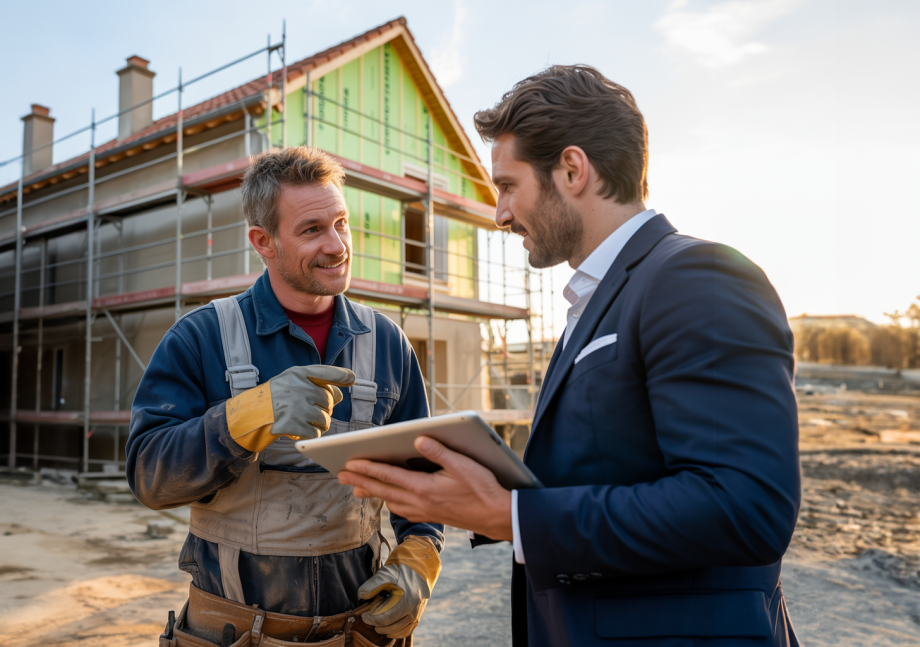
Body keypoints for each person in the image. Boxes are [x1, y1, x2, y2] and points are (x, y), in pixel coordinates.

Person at [338, 65, 801, 647]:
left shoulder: (698, 276)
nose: (500, 214)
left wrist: (510, 516)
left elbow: (744, 507)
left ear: (573, 170)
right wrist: (490, 485)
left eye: (508, 186)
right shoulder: (599, 300)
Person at [127, 147, 444, 647]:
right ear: (263, 241)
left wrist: (420, 558)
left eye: (341, 223)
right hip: (233, 634)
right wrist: (247, 416)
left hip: (357, 634)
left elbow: (424, 478)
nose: (337, 245)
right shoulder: (202, 338)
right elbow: (149, 476)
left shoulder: (388, 345)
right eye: (312, 229)